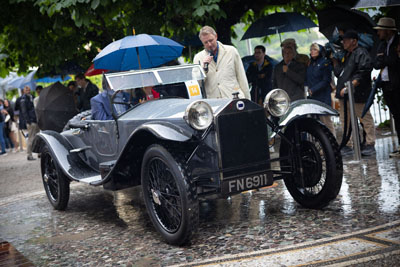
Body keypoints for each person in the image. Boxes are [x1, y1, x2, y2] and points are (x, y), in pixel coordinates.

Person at [332, 30, 376, 157]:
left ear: (354, 41)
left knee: (364, 118)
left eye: (345, 40)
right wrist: (335, 61)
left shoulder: (361, 53)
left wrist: (351, 85)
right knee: (345, 121)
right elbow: (340, 73)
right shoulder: (347, 54)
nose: (343, 42)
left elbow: (364, 70)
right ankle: (349, 144)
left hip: (357, 93)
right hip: (345, 94)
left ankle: (370, 143)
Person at [193, 26, 250, 99]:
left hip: (234, 99)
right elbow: (197, 84)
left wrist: (248, 100)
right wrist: (204, 69)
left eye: (211, 40)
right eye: (206, 42)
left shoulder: (231, 51)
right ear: (202, 42)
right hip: (214, 103)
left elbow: (241, 77)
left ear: (216, 36)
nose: (209, 44)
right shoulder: (198, 58)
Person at [373, 17, 400, 158]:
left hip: (397, 85)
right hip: (387, 85)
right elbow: (376, 63)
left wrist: (385, 59)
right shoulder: (382, 44)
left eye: (380, 30)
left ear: (387, 31)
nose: (378, 33)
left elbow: (394, 61)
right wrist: (386, 59)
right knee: (396, 115)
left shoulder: (397, 42)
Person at [305, 43, 336, 137]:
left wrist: (313, 89)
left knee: (326, 121)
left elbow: (326, 80)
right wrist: (306, 88)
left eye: (314, 49)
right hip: (312, 97)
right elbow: (307, 78)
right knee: (316, 123)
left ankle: (332, 142)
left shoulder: (325, 62)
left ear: (319, 51)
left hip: (323, 96)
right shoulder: (310, 63)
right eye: (311, 50)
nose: (312, 51)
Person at [20, 85, 40, 160]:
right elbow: (24, 111)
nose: (28, 91)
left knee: (37, 137)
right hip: (31, 121)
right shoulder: (24, 99)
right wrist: (28, 121)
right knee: (31, 138)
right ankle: (29, 155)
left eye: (29, 89)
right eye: (26, 90)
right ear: (24, 91)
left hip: (35, 120)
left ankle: (39, 153)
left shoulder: (31, 97)